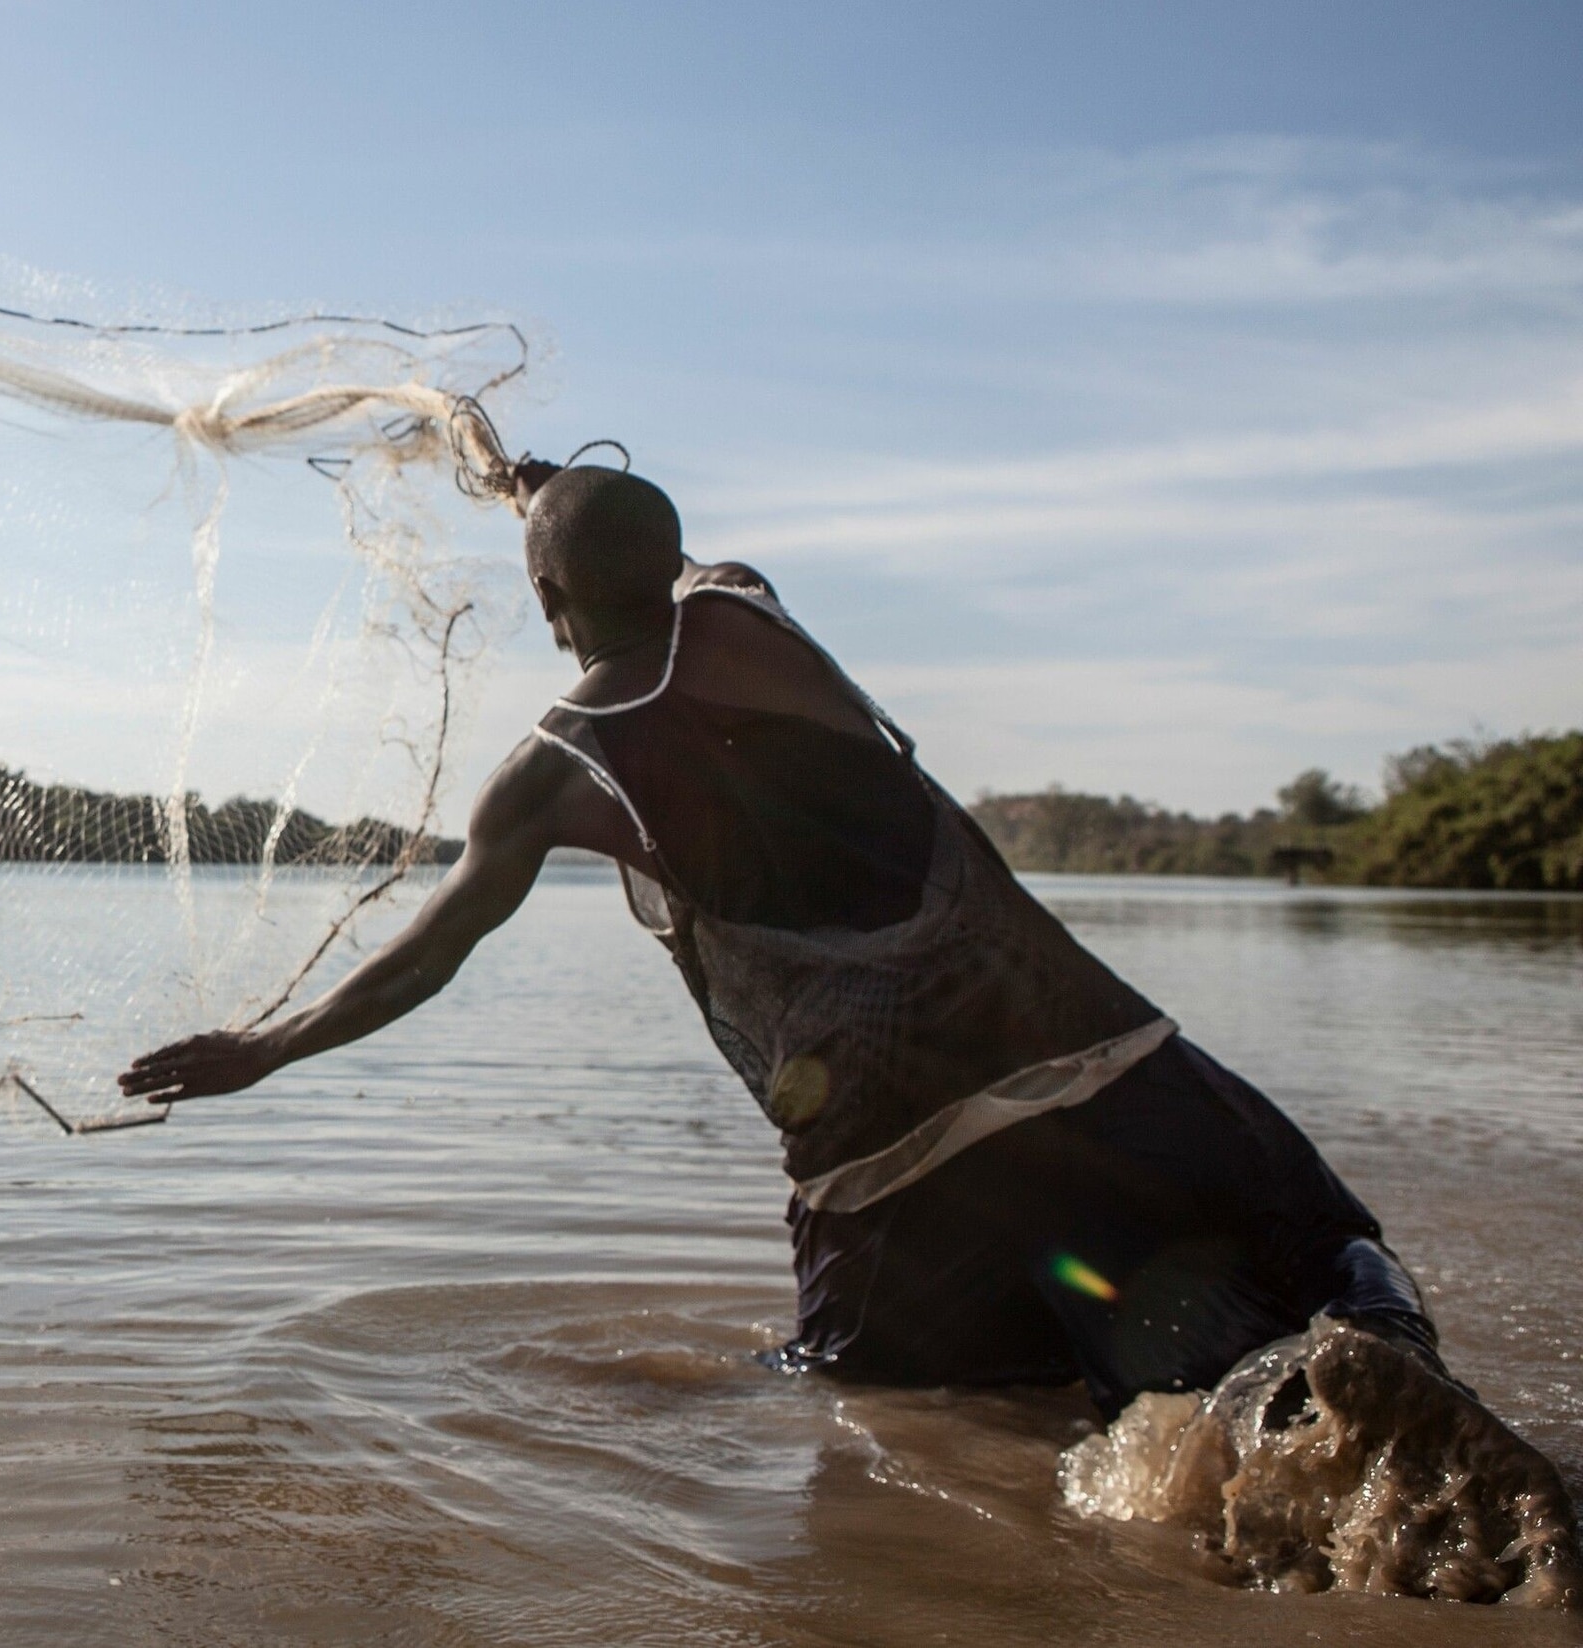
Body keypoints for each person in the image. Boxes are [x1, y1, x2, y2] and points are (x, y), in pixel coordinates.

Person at [117, 462, 1442, 1418]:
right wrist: (552, 489)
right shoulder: (752, 621)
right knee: (1320, 1255)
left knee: (884, 1405)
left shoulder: (547, 777)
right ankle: (1377, 1377)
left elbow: (431, 951)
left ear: (543, 597)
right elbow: (690, 563)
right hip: (1096, 1066)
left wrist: (266, 1047)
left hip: (894, 1174)